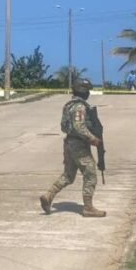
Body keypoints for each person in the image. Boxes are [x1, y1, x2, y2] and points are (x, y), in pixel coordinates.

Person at [39, 77, 106, 218]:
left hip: (69, 143)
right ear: (83, 91)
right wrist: (92, 138)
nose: (88, 93)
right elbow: (79, 126)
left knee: (68, 175)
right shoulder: (80, 107)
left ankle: (48, 196)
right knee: (90, 173)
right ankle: (88, 207)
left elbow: (65, 126)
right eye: (87, 91)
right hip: (78, 145)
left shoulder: (69, 105)